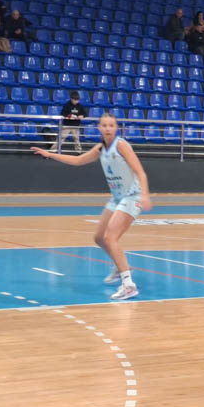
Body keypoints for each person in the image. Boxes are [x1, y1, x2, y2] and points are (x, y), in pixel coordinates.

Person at [30, 112, 152, 301]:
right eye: (104, 125)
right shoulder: (100, 148)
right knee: (98, 238)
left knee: (110, 238)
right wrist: (49, 154)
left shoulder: (121, 145)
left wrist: (145, 195)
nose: (108, 128)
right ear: (99, 128)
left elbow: (141, 172)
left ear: (116, 128)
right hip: (117, 198)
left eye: (111, 125)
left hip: (131, 196)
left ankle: (129, 285)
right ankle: (120, 266)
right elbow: (78, 160)